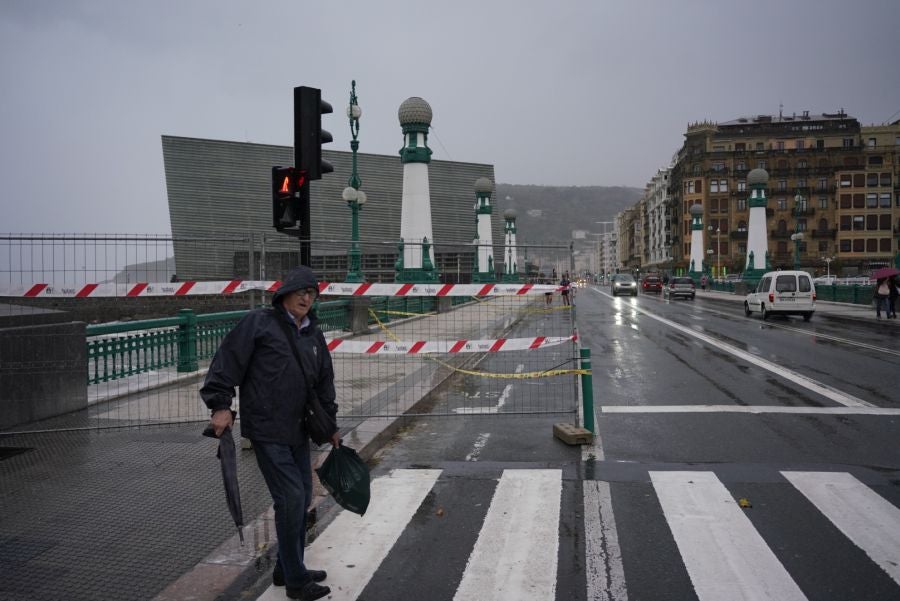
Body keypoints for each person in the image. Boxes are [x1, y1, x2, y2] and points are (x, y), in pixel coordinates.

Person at [201, 266, 339, 601]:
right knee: (291, 497)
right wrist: (220, 405)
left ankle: (286, 567)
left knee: (302, 498)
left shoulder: (313, 333)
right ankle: (296, 581)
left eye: (312, 293)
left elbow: (324, 381)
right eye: (301, 291)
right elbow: (226, 363)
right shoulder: (259, 323)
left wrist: (331, 425)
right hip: (266, 428)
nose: (306, 298)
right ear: (285, 294)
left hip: (299, 429)